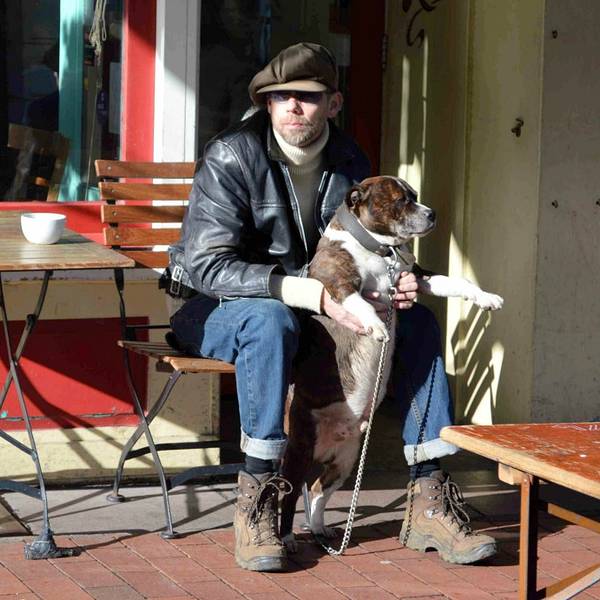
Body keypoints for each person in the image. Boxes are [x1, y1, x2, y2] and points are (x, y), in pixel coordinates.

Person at [168, 42, 497, 572]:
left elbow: (376, 247)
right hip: (221, 305)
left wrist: (399, 282)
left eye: (309, 96)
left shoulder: (349, 161)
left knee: (418, 323)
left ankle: (429, 494)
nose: (294, 107)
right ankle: (260, 499)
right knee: (270, 320)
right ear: (267, 103)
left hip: (318, 308)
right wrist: (311, 293)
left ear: (334, 103)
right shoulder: (232, 154)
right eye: (281, 97)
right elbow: (208, 266)